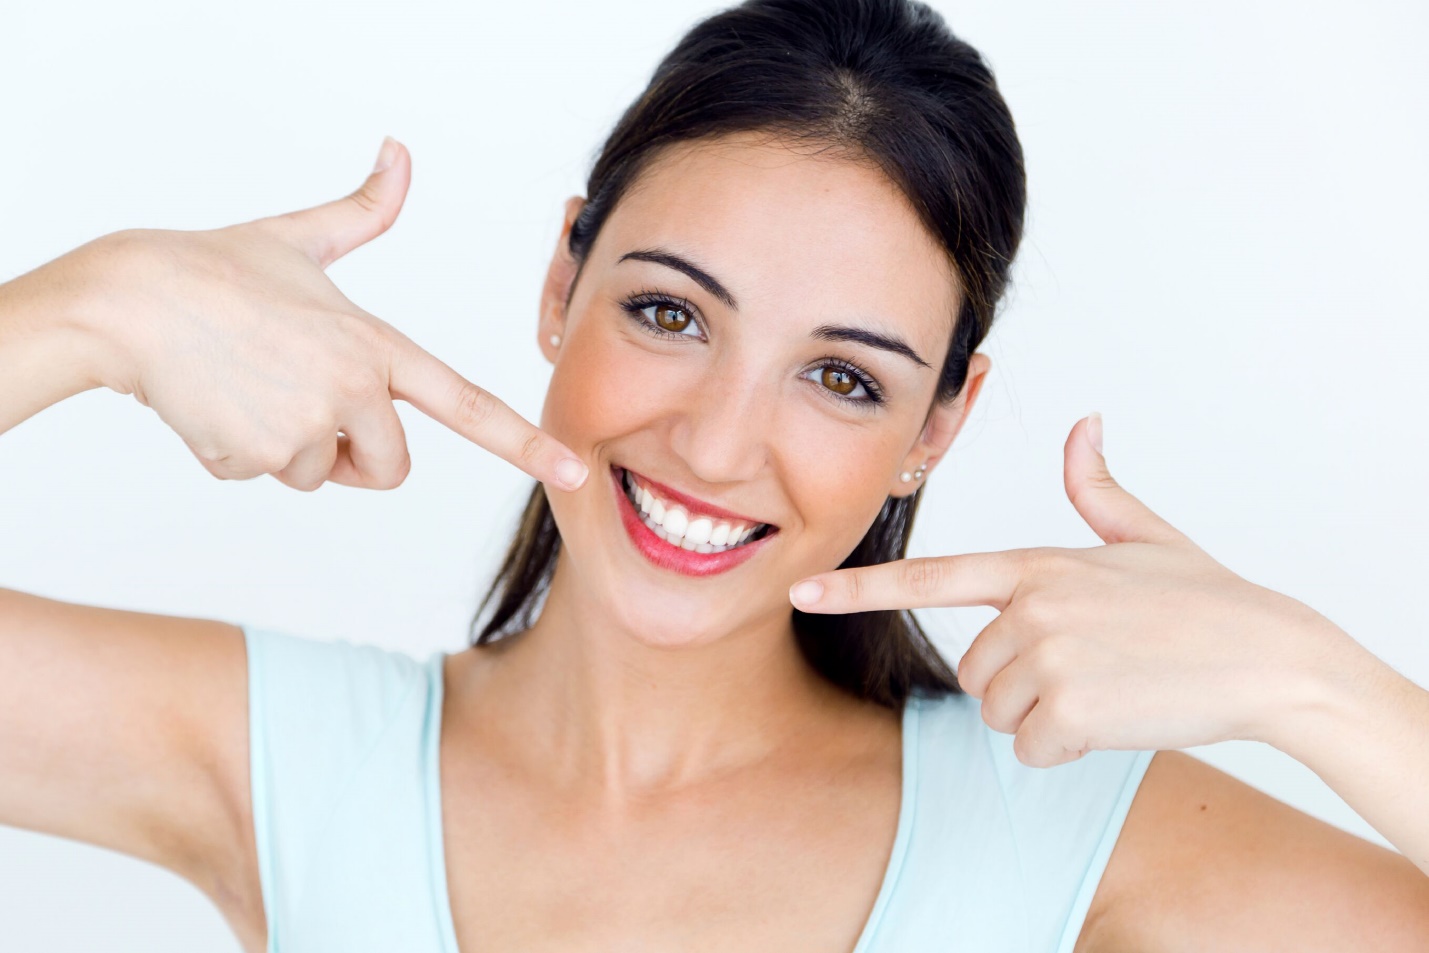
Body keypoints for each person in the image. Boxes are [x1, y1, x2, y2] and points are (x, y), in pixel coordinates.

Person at [3, 0, 1428, 950]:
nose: (713, 443)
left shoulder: (1069, 833)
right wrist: (93, 311)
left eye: (841, 376)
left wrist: (1314, 682)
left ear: (940, 420)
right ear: (563, 277)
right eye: (670, 313)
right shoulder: (289, 762)